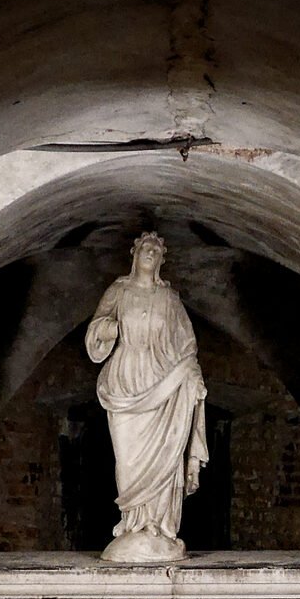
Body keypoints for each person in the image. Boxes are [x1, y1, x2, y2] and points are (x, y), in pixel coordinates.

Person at [85, 231, 209, 560]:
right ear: (135, 254)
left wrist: (189, 373)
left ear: (162, 259)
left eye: (156, 249)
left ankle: (157, 525)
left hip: (162, 384)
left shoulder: (169, 300)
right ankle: (131, 523)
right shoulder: (119, 291)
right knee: (127, 461)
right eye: (145, 248)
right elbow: (96, 330)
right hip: (125, 383)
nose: (150, 252)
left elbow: (187, 344)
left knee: (165, 456)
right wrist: (110, 329)